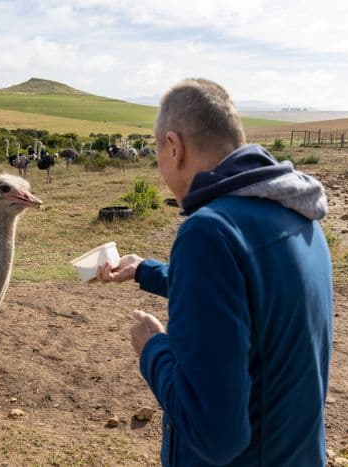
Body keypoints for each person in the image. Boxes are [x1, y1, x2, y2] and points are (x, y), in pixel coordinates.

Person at [97, 78, 333, 466]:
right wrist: (144, 271)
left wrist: (153, 347)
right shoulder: (299, 215)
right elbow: (247, 298)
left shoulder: (210, 233)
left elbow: (214, 435)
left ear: (174, 147)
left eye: (158, 151)